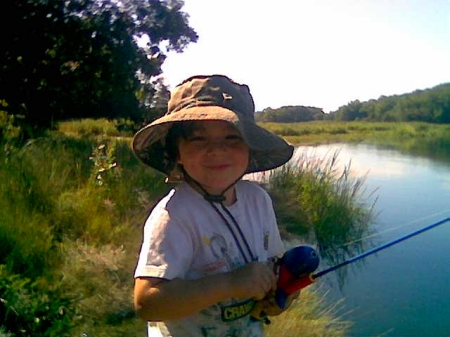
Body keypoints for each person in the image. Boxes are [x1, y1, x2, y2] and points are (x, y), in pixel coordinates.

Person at [132, 74, 296, 337]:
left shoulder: (258, 200)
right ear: (177, 153)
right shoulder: (174, 215)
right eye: (198, 139)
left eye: (232, 138)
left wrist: (280, 294)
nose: (216, 151)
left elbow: (273, 264)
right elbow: (148, 303)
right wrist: (230, 283)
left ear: (250, 148)